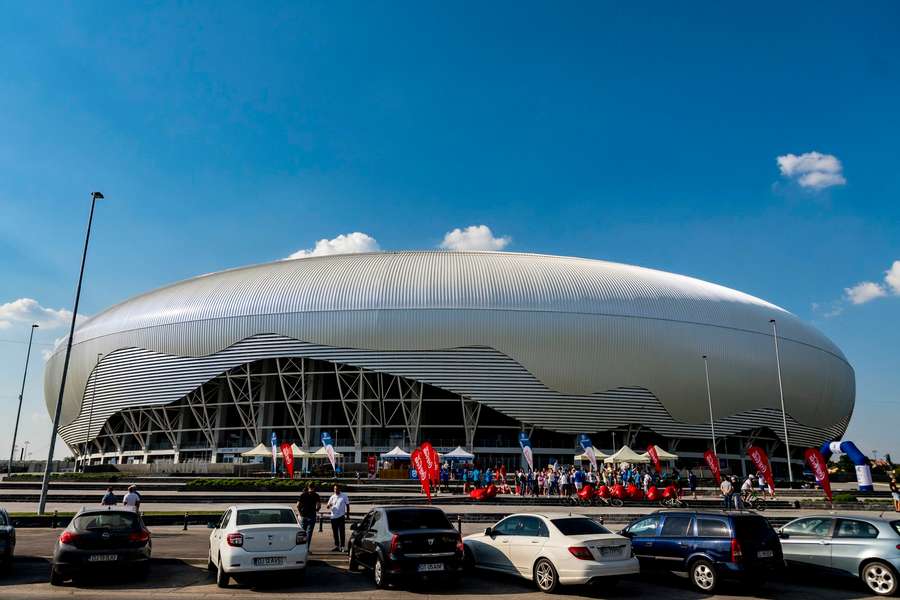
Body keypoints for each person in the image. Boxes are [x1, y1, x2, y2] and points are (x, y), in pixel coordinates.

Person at [326, 484, 350, 552]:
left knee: (342, 532)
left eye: (337, 489)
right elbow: (327, 506)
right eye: (334, 489)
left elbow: (347, 505)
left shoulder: (344, 496)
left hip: (341, 517)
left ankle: (342, 546)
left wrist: (347, 515)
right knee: (335, 532)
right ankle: (337, 546)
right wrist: (329, 505)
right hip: (333, 517)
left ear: (340, 489)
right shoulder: (332, 497)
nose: (335, 490)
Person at [296, 483, 321, 550]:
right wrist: (316, 510)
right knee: (309, 533)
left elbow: (297, 505)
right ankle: (306, 548)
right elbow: (319, 506)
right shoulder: (316, 495)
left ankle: (300, 548)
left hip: (303, 515)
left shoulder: (303, 495)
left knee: (302, 533)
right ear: (314, 487)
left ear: (308, 487)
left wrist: (300, 513)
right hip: (312, 516)